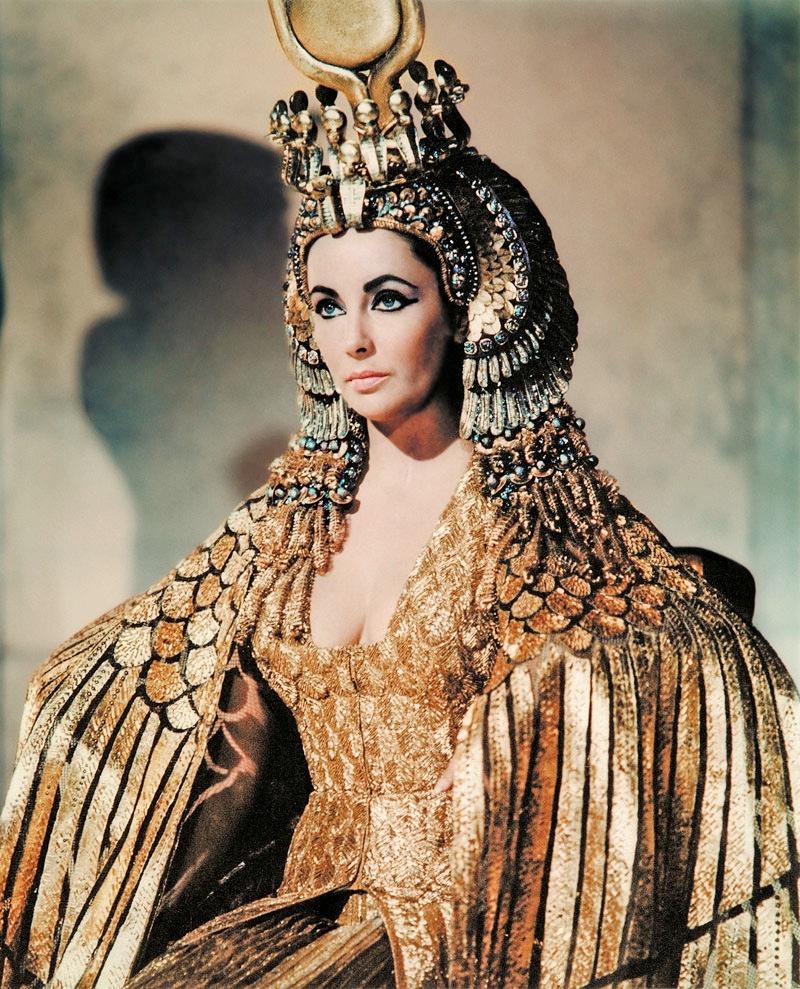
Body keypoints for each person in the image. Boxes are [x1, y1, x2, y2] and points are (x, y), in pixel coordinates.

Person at [1, 3, 798, 987]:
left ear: (466, 304)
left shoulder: (537, 529)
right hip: (285, 917)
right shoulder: (286, 526)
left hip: (463, 947)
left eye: (389, 298)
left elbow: (672, 696)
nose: (355, 341)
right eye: (327, 305)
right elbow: (134, 680)